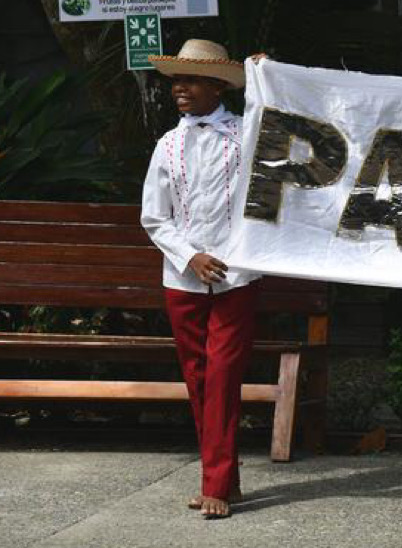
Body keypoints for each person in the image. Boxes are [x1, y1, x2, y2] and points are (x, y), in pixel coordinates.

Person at [141, 39, 266, 519]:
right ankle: (224, 478)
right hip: (183, 277)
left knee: (223, 376)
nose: (180, 88)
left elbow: (282, 125)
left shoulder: (246, 135)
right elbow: (155, 218)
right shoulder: (167, 145)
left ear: (217, 86)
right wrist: (191, 256)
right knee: (197, 379)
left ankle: (213, 483)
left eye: (191, 79)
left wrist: (263, 75)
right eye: (176, 80)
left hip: (237, 276)